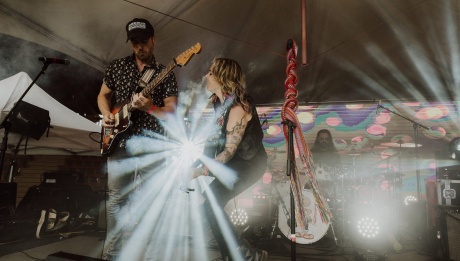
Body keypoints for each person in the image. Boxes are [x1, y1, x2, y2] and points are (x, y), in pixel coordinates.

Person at [97, 18, 178, 260]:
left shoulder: (165, 74)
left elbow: (171, 115)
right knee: (115, 201)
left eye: (144, 41)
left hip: (150, 144)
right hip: (119, 142)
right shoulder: (116, 67)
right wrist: (106, 115)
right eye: (134, 43)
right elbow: (103, 95)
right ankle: (111, 255)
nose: (139, 47)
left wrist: (151, 108)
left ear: (154, 39)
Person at [190, 58, 268, 260]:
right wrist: (193, 165)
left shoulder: (237, 108)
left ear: (222, 77)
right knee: (208, 204)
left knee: (210, 203)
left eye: (211, 72)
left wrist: (199, 172)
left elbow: (228, 152)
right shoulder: (220, 103)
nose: (206, 76)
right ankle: (236, 255)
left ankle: (246, 255)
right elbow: (212, 143)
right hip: (237, 163)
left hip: (249, 164)